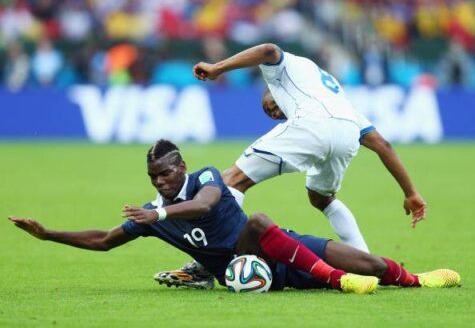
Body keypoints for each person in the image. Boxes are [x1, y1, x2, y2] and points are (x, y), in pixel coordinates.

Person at [8, 140, 459, 293]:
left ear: (180, 167)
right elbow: (103, 239)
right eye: (153, 177)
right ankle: (340, 282)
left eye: (165, 174)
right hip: (242, 267)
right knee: (261, 222)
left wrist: (160, 211)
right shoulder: (154, 214)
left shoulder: (204, 178)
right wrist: (48, 235)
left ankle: (422, 281)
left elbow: (204, 206)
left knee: (377, 266)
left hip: (279, 251)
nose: (159, 182)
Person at [157, 43, 428, 288]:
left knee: (230, 181)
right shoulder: (331, 94)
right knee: (321, 197)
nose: (274, 114)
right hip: (345, 134)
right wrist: (411, 193)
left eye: (271, 108)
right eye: (270, 114)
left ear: (271, 89)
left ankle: (206, 266)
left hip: (312, 126)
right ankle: (367, 261)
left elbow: (269, 50)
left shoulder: (282, 71)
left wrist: (217, 68)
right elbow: (382, 145)